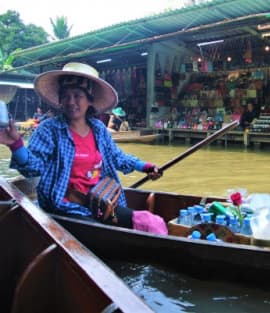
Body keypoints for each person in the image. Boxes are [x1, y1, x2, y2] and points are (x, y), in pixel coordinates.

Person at [0, 62, 167, 234]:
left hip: (100, 202)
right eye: (65, 96)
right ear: (59, 100)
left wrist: (145, 167)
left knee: (152, 223)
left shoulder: (98, 129)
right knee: (105, 236)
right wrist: (15, 144)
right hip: (64, 206)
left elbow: (117, 157)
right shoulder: (49, 129)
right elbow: (33, 169)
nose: (71, 102)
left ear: (89, 100)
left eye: (77, 95)